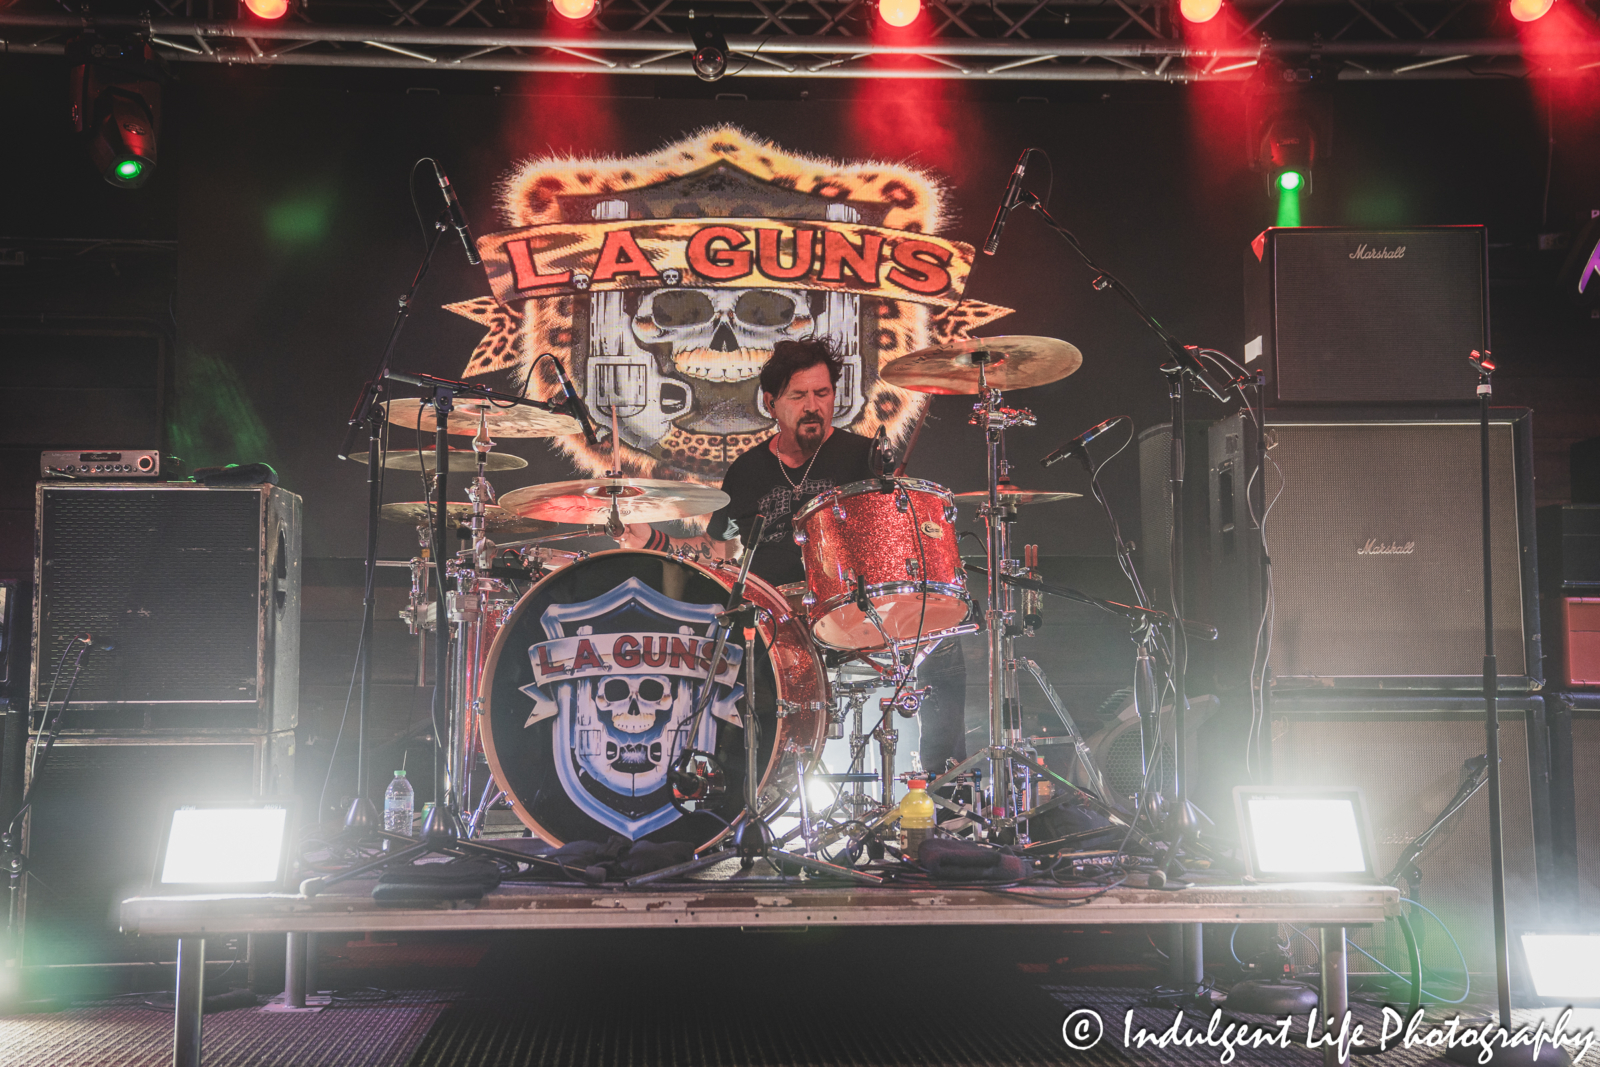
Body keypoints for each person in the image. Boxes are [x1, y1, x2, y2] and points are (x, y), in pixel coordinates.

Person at [615, 337, 967, 774]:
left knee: (942, 641)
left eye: (822, 394)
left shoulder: (864, 457)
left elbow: (896, 531)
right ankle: (750, 778)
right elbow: (720, 552)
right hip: (777, 619)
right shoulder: (747, 472)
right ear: (770, 403)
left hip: (851, 608)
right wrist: (654, 542)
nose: (813, 406)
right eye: (798, 396)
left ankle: (947, 782)